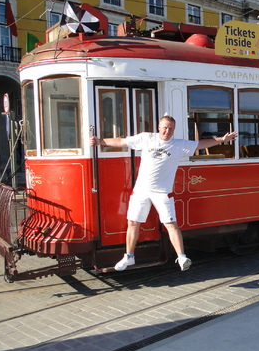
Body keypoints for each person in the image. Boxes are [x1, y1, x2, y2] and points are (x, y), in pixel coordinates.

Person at [90, 115, 238, 272]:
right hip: (141, 190)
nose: (167, 131)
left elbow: (200, 144)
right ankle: (129, 256)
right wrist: (100, 142)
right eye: (165, 127)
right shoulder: (146, 138)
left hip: (162, 192)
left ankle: (182, 257)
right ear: (159, 127)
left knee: (171, 224)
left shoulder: (179, 145)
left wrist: (222, 139)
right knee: (133, 222)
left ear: (174, 130)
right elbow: (122, 141)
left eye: (171, 128)